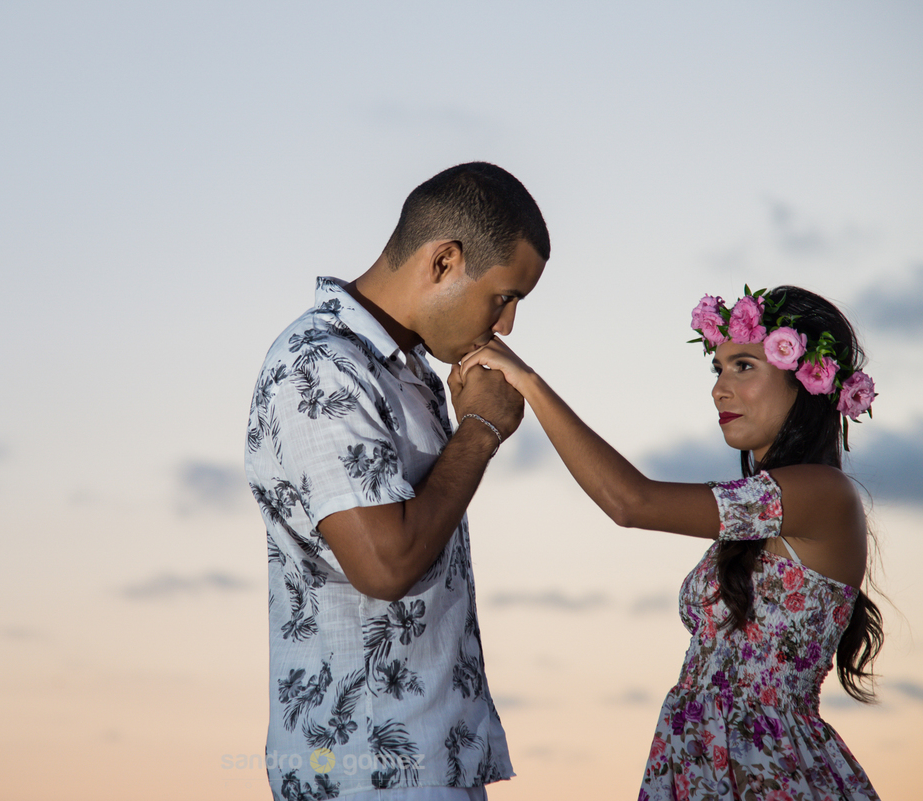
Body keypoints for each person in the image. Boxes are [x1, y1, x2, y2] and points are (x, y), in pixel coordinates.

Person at [456, 286, 883, 799]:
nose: (719, 389)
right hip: (696, 759)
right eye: (718, 369)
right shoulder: (762, 514)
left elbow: (631, 502)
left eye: (743, 366)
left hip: (770, 772)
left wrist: (528, 382)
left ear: (808, 378)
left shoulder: (826, 493)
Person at [244, 162, 550, 800]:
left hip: (430, 761)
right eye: (504, 296)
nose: (509, 323)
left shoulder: (400, 368)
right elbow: (385, 567)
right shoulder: (319, 367)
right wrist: (479, 432)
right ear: (443, 262)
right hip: (365, 771)